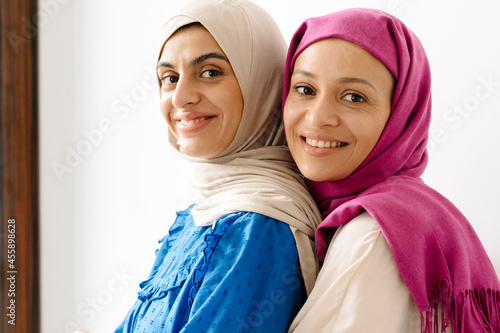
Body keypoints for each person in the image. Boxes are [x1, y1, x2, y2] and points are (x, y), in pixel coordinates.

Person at [282, 8, 500, 333]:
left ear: (402, 116)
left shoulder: (371, 236)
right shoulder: (410, 207)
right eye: (305, 89)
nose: (318, 118)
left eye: (354, 97)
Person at [111, 0, 322, 332]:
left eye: (209, 72)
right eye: (169, 77)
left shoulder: (258, 225)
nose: (180, 98)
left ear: (262, 81)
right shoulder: (202, 212)